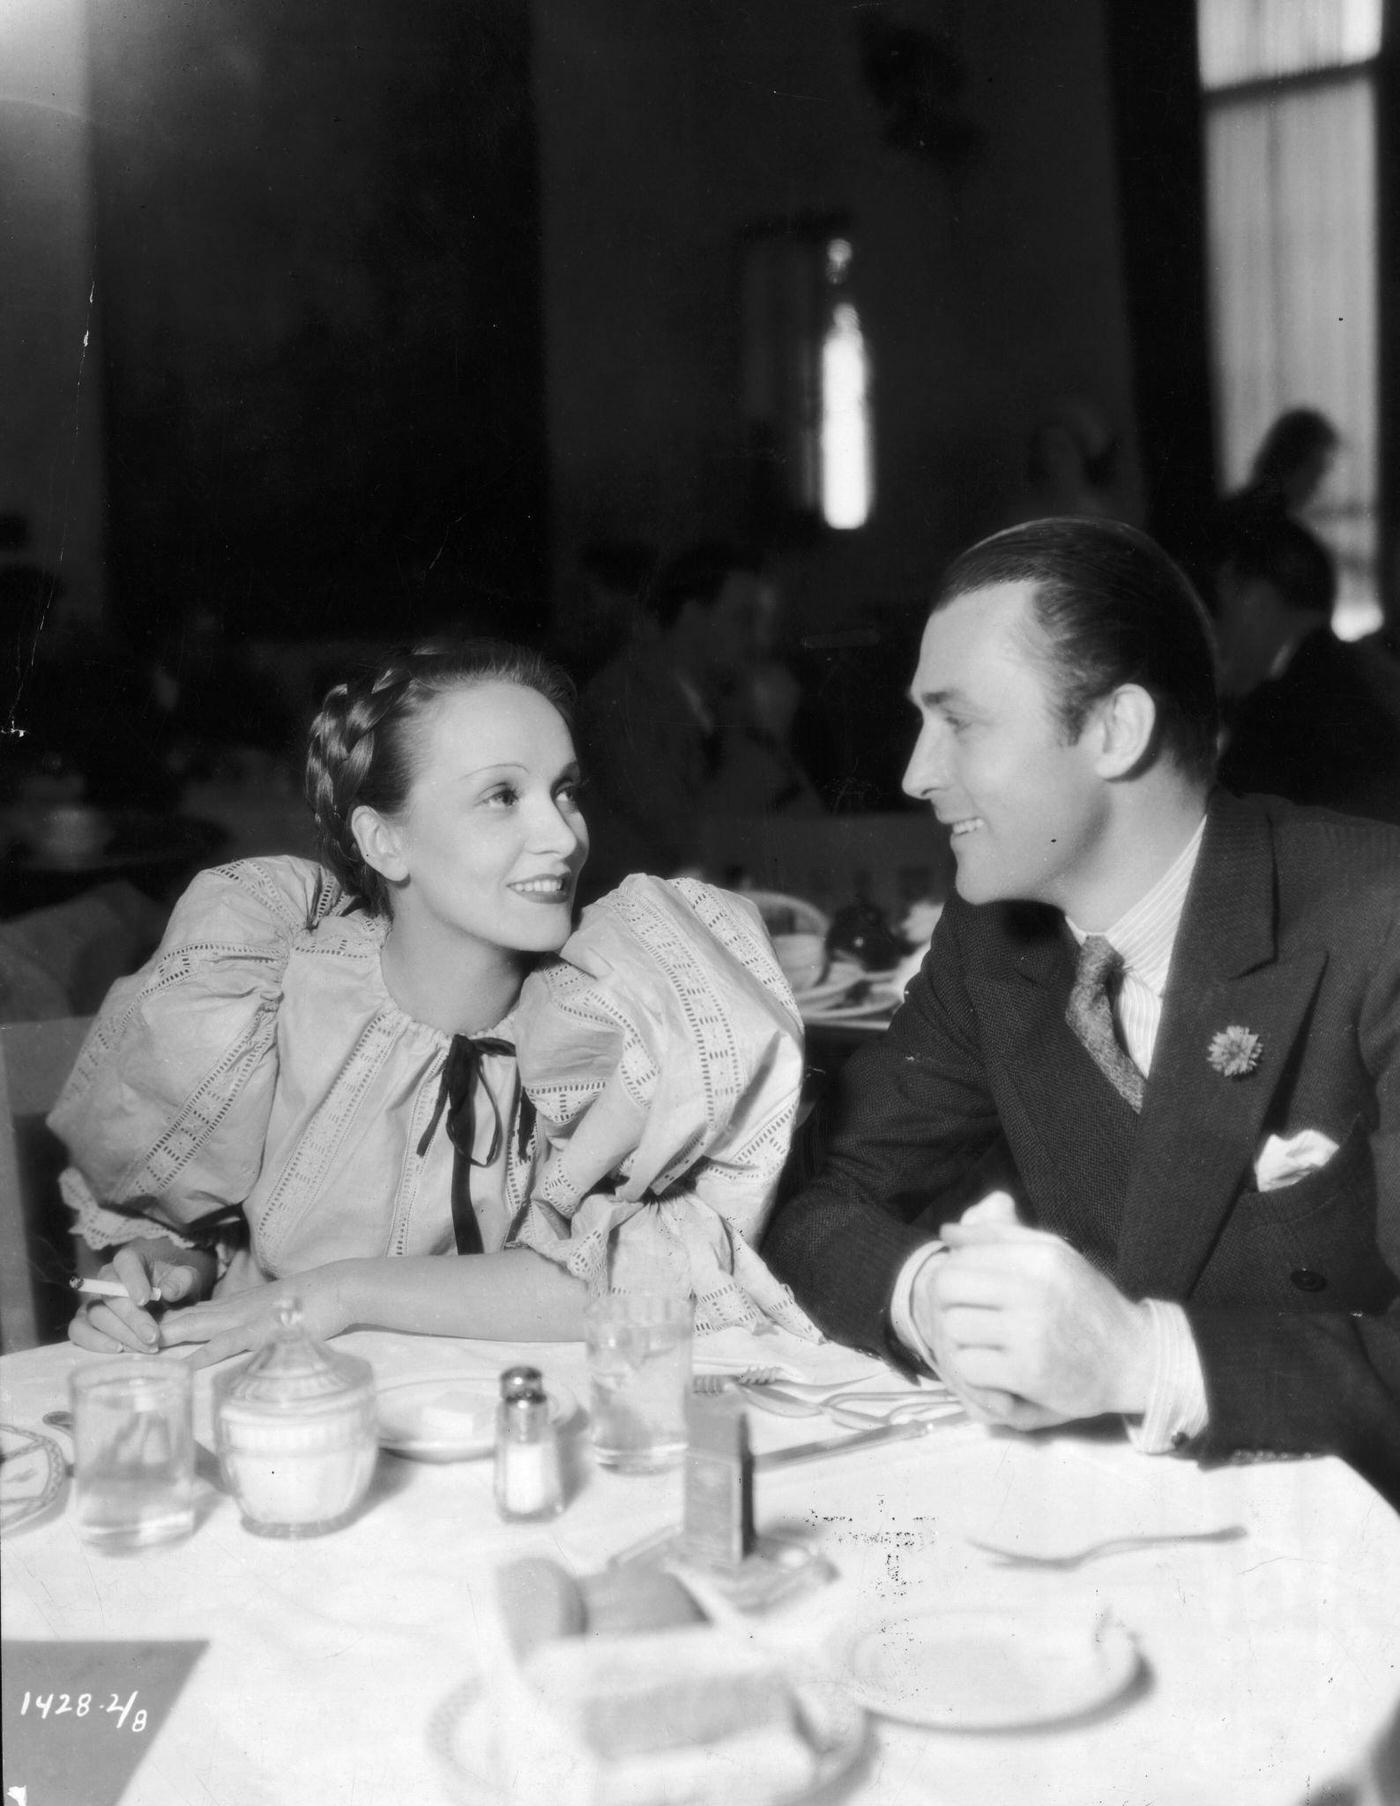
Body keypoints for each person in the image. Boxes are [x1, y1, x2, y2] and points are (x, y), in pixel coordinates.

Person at [760, 517, 1400, 1504]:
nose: (914, 773)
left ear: (1113, 730)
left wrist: (1141, 1362)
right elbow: (817, 1202)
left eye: (958, 721)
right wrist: (924, 1298)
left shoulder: (1376, 920)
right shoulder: (992, 943)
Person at [56, 639, 815, 1365]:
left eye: (565, 791)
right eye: (501, 796)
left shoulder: (608, 1021)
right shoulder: (270, 994)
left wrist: (344, 1292)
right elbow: (192, 1227)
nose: (562, 836)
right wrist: (162, 1269)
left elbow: (653, 1276)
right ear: (384, 843)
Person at [574, 543, 782, 898]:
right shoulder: (625, 699)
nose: (759, 640)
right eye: (743, 619)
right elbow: (689, 835)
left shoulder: (719, 704)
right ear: (691, 617)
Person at [1213, 505, 1400, 823]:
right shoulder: (1361, 676)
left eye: (1221, 607)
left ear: (1255, 598)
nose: (1217, 631)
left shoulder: (1279, 711)